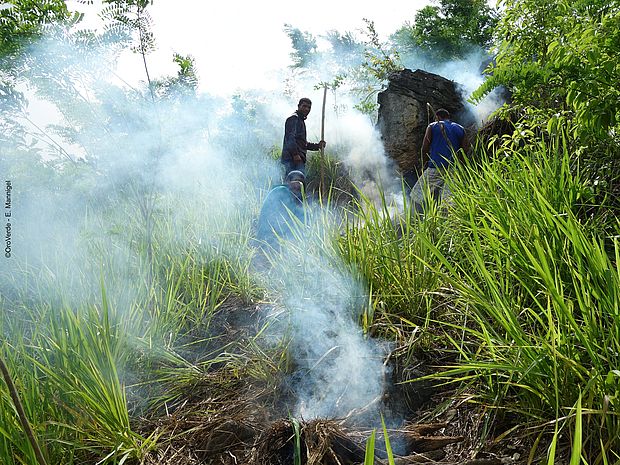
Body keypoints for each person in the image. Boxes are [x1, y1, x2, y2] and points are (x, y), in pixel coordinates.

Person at [410, 108, 468, 213]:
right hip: (453, 169)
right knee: (449, 201)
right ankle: (448, 224)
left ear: (437, 116)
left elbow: (425, 147)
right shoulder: (460, 128)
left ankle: (414, 217)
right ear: (448, 117)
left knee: (416, 194)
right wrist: (461, 169)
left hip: (435, 167)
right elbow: (465, 151)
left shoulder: (432, 126)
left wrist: (423, 165)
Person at [255, 170, 307, 251]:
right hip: (268, 239)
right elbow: (289, 219)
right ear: (287, 182)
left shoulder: (293, 198)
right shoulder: (281, 191)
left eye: (301, 182)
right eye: (295, 181)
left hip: (273, 238)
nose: (298, 185)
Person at [281, 97, 326, 175]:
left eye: (309, 107)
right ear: (299, 106)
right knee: (295, 183)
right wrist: (295, 154)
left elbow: (302, 143)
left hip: (297, 158)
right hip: (293, 159)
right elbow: (290, 138)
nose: (306, 109)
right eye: (304, 106)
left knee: (296, 183)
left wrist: (318, 146)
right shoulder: (294, 118)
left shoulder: (300, 120)